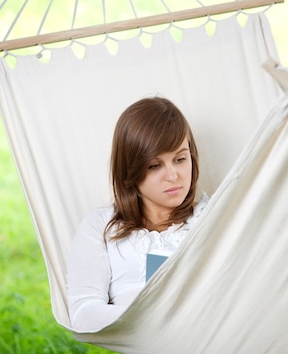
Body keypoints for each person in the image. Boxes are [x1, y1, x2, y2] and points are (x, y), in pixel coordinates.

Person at [67, 97, 209, 333]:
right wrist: (159, 317)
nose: (173, 175)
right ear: (130, 171)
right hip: (151, 344)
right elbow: (83, 313)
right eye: (155, 165)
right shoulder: (101, 228)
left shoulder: (213, 217)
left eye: (181, 159)